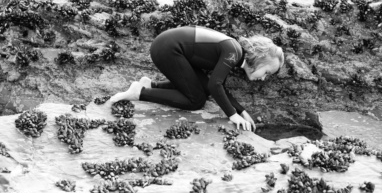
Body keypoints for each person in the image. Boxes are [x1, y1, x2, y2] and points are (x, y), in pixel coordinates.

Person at [108, 26, 284, 131]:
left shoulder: (235, 53)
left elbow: (213, 84)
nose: (264, 79)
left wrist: (242, 111)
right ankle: (140, 93)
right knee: (196, 101)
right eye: (267, 72)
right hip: (168, 49)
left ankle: (150, 85)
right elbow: (215, 85)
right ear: (260, 60)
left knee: (200, 91)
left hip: (172, 48)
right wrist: (232, 115)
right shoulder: (234, 52)